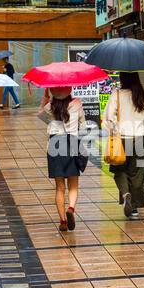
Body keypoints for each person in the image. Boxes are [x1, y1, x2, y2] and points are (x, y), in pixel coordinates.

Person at [38, 87, 86, 231]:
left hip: (54, 145)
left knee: (60, 187)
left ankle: (63, 222)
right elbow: (83, 128)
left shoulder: (50, 106)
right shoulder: (77, 104)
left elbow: (40, 115)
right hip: (71, 144)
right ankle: (70, 208)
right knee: (73, 185)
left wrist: (46, 98)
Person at [103, 72, 144, 218]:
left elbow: (109, 117)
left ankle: (125, 194)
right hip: (139, 138)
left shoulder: (117, 95)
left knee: (119, 170)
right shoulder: (140, 95)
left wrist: (114, 130)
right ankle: (134, 208)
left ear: (122, 78)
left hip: (122, 138)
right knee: (137, 173)